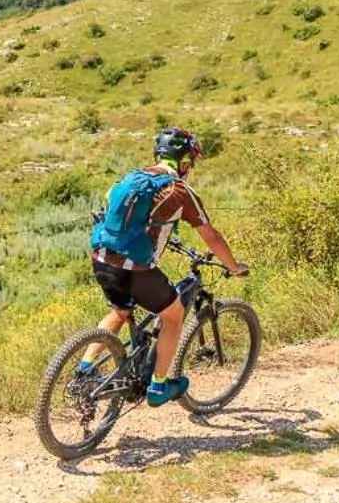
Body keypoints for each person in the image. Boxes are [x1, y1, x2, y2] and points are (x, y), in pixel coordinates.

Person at [85, 125, 249, 406]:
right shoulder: (180, 190)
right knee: (173, 315)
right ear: (184, 162)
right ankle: (159, 386)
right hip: (136, 267)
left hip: (101, 257)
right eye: (191, 162)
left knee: (121, 311)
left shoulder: (131, 177)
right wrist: (233, 267)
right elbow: (211, 235)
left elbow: (119, 212)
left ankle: (84, 369)